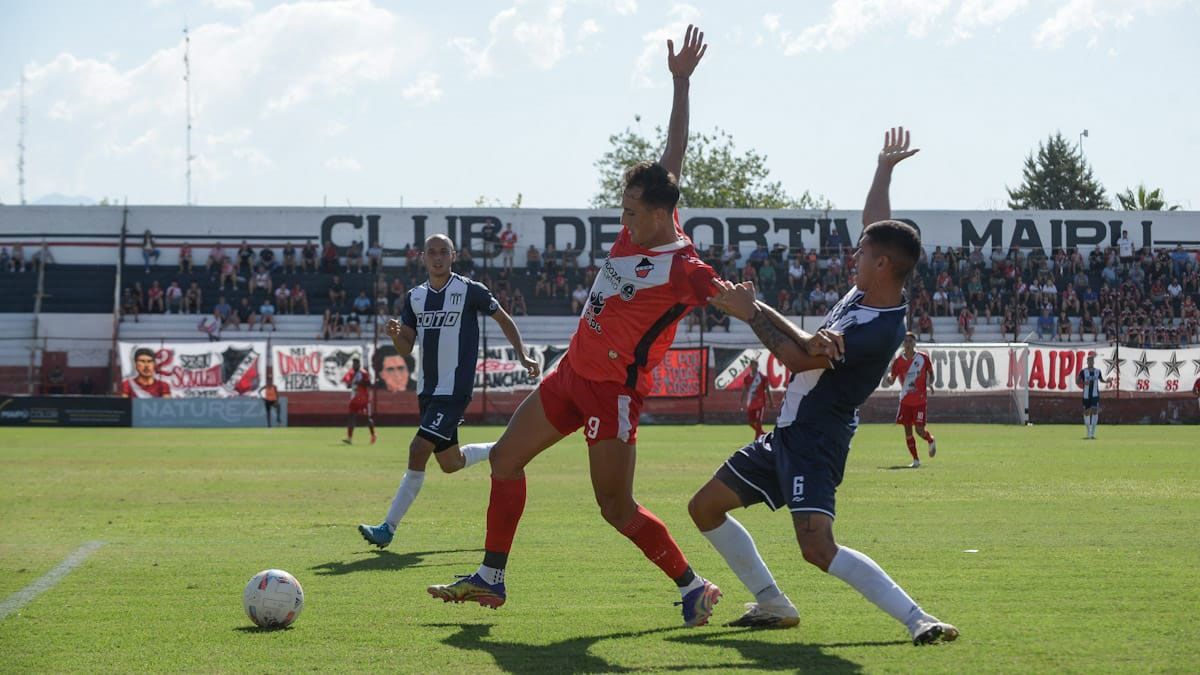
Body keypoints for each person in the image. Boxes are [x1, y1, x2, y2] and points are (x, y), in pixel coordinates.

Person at [425, 26, 725, 628]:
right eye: (623, 208)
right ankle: (492, 577)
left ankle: (694, 587)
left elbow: (737, 305)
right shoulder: (636, 230)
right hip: (568, 375)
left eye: (632, 210)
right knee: (507, 461)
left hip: (612, 393)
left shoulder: (685, 267)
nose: (623, 220)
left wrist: (782, 331)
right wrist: (680, 84)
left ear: (662, 213)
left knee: (615, 509)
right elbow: (672, 158)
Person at [687, 127, 958, 645]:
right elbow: (876, 225)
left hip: (816, 438)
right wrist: (884, 168)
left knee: (817, 547)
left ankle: (919, 619)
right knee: (704, 507)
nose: (851, 258)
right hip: (790, 430)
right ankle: (772, 603)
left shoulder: (878, 329)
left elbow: (793, 357)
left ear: (881, 265)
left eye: (861, 253)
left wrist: (751, 314)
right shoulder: (869, 292)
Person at [357, 233, 538, 548]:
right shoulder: (415, 297)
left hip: (454, 390)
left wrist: (522, 354)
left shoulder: (469, 290)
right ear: (423, 257)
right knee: (450, 463)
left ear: (453, 256)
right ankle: (503, 449)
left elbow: (504, 319)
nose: (437, 257)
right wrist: (395, 334)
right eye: (432, 252)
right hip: (428, 391)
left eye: (443, 252)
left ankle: (387, 527)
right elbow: (405, 348)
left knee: (417, 449)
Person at [885, 331, 937, 468]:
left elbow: (931, 374)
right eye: (905, 341)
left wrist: (930, 382)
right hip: (905, 401)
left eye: (910, 341)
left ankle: (930, 440)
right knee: (907, 430)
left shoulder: (923, 358)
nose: (907, 344)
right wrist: (889, 380)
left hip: (919, 401)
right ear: (903, 343)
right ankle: (916, 460)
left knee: (919, 430)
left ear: (914, 343)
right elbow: (892, 378)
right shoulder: (898, 362)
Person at [342, 357, 376, 445]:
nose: (354, 366)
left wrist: (359, 383)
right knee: (351, 417)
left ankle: (373, 435)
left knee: (367, 419)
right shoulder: (352, 373)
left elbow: (368, 384)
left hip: (363, 399)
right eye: (353, 364)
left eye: (355, 364)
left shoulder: (363, 373)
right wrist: (349, 384)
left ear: (359, 364)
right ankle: (349, 438)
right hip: (354, 398)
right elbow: (350, 385)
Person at [1076, 352, 1110, 440]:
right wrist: (1084, 383)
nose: (1090, 362)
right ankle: (1088, 431)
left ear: (1093, 362)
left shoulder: (1097, 371)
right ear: (1087, 362)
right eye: (1089, 360)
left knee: (1095, 411)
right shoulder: (1083, 371)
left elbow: (1101, 380)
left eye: (1092, 360)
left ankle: (1093, 432)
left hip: (1095, 394)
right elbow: (1077, 381)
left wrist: (1107, 381)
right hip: (1086, 395)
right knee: (1087, 412)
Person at [741, 359, 772, 439]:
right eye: (752, 365)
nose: (754, 366)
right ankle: (763, 433)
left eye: (755, 365)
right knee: (751, 422)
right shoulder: (747, 378)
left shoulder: (763, 377)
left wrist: (771, 401)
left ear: (758, 366)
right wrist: (742, 400)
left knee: (758, 422)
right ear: (750, 366)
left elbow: (767, 389)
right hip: (751, 403)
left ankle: (756, 441)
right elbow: (744, 389)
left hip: (760, 403)